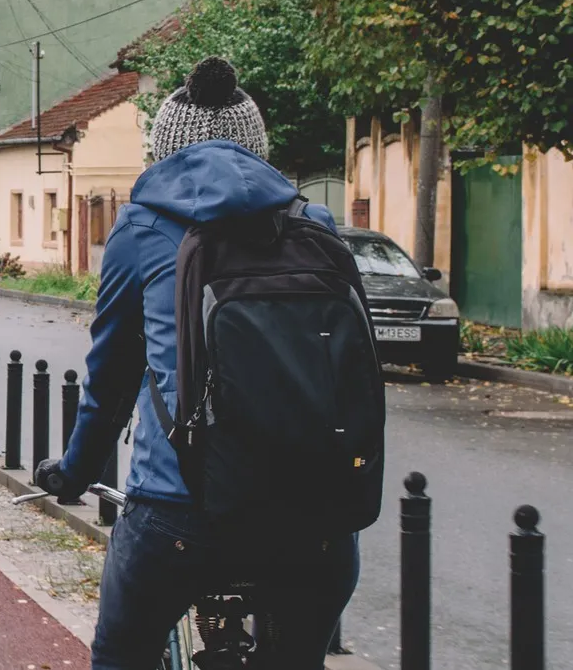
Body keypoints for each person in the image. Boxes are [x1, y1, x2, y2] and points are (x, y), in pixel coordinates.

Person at [32, 58, 360, 669]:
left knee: (120, 653)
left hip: (180, 512)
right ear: (258, 148)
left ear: (163, 151)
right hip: (314, 518)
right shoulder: (313, 223)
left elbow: (110, 378)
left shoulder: (141, 226)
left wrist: (73, 473)